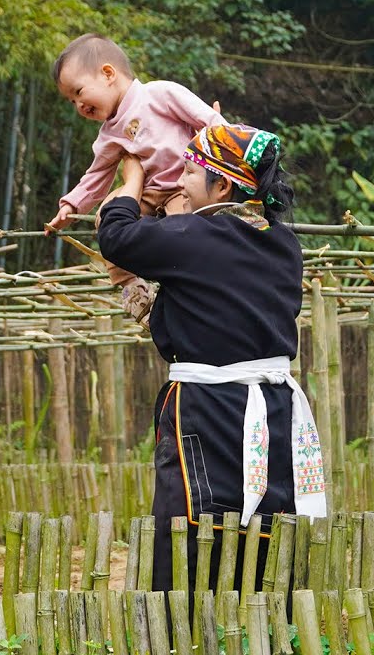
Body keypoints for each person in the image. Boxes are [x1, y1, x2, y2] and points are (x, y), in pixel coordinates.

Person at [96, 124, 327, 592]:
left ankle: (185, 621)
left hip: (206, 408)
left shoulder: (196, 236)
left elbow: (115, 236)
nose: (180, 182)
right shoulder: (282, 242)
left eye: (188, 172)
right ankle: (264, 619)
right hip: (273, 411)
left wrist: (133, 179)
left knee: (191, 528)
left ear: (222, 186)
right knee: (265, 522)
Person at [46, 33, 228, 326]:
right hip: (149, 193)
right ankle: (131, 288)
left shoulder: (159, 95)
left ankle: (191, 291)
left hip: (184, 188)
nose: (78, 105)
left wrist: (229, 147)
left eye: (79, 92)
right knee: (107, 216)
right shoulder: (108, 135)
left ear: (108, 74)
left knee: (187, 234)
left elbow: (209, 121)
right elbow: (97, 175)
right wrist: (70, 205)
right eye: (71, 101)